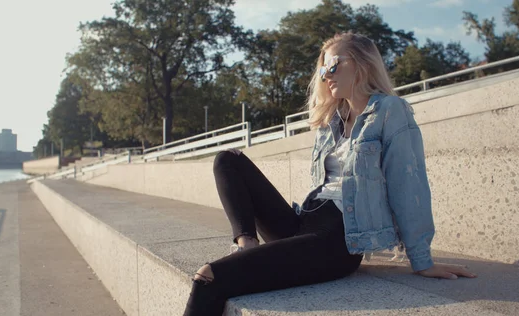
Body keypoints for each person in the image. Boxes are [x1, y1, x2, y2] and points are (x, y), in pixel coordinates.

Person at [183, 32, 476, 316]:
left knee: (210, 276)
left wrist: (421, 260)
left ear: (363, 64)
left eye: (334, 65)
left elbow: (408, 185)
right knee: (228, 159)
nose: (326, 75)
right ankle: (246, 244)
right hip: (303, 224)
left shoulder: (390, 111)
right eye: (323, 68)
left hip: (337, 241)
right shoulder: (331, 121)